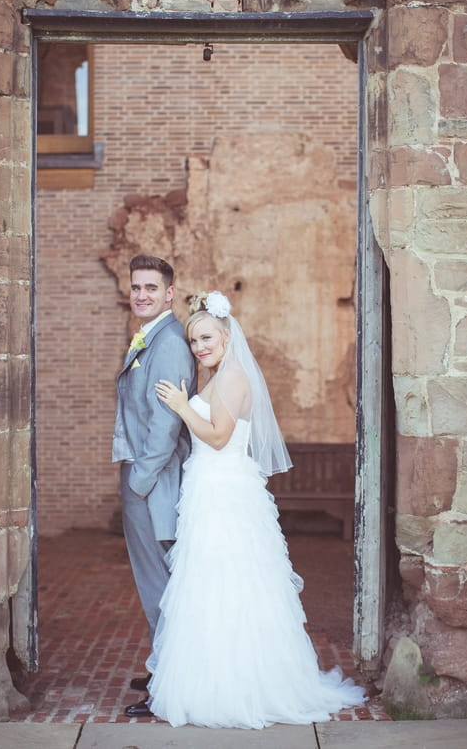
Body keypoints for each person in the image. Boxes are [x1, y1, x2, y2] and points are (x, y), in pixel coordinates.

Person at [147, 290, 367, 728]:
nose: (200, 347)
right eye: (194, 341)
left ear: (227, 336)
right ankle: (211, 679)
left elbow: (217, 437)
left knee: (233, 584)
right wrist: (192, 400)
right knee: (210, 585)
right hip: (209, 489)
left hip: (225, 494)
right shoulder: (217, 379)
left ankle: (242, 686)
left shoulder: (233, 379)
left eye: (207, 337)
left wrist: (180, 407)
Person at [112, 254, 197, 718]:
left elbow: (165, 428)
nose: (142, 294)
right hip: (145, 477)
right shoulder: (151, 336)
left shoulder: (167, 344)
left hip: (154, 483)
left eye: (151, 288)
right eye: (136, 287)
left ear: (169, 293)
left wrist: (139, 484)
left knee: (159, 586)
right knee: (159, 584)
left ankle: (168, 680)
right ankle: (164, 662)